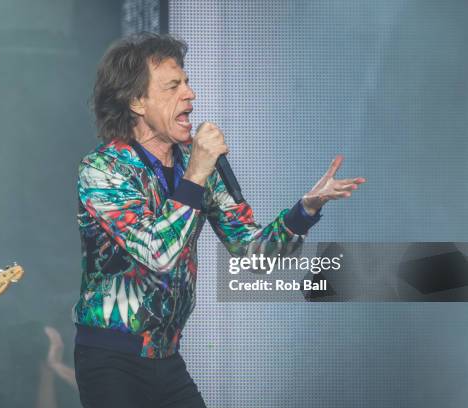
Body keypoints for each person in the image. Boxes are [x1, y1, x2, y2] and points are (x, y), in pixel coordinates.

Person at [73, 33, 365, 408]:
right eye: (174, 86)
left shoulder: (195, 167)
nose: (190, 95)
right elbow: (158, 254)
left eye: (188, 82)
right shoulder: (103, 170)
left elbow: (251, 255)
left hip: (165, 355)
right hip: (111, 359)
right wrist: (194, 175)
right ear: (136, 101)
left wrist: (304, 211)